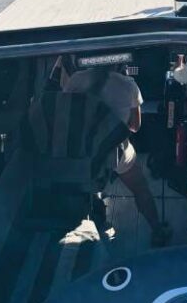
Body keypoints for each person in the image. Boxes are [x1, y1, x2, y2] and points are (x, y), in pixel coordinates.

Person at [61, 61, 172, 247]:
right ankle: (157, 230)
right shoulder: (128, 86)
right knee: (139, 187)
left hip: (78, 151)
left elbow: (66, 112)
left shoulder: (76, 79)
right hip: (112, 152)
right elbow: (135, 127)